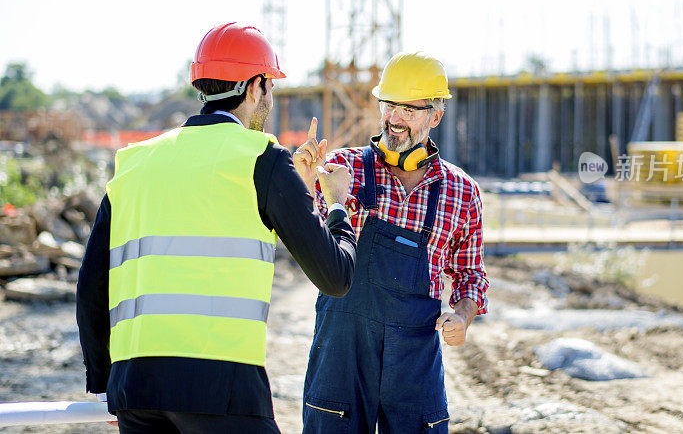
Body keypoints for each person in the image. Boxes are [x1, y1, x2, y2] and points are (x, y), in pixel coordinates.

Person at [77, 22, 357, 434]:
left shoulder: (134, 162)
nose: (271, 99)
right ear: (255, 86)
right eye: (271, 87)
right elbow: (336, 277)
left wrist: (105, 380)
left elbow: (91, 284)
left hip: (134, 387)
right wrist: (336, 203)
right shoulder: (262, 158)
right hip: (223, 389)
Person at [293, 51, 489, 433]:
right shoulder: (341, 170)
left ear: (436, 115)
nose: (394, 120)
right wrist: (303, 182)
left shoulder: (461, 192)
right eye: (388, 105)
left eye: (409, 110)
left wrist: (463, 317)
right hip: (341, 359)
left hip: (415, 363)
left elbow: (470, 274)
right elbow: (306, 241)